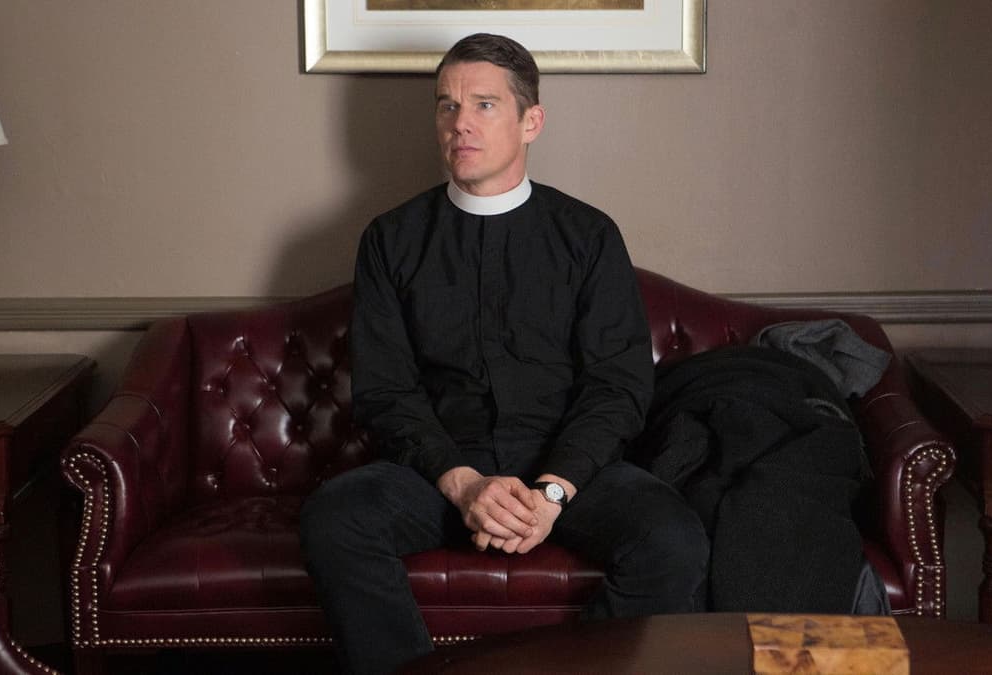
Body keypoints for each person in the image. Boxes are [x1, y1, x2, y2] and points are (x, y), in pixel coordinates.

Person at [300, 33, 708, 675]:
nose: (459, 122)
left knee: (673, 538)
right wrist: (463, 484)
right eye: (447, 105)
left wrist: (550, 494)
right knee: (334, 519)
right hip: (438, 472)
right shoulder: (390, 239)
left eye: (484, 105)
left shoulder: (588, 235)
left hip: (567, 469)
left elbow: (618, 386)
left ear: (531, 121)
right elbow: (385, 391)